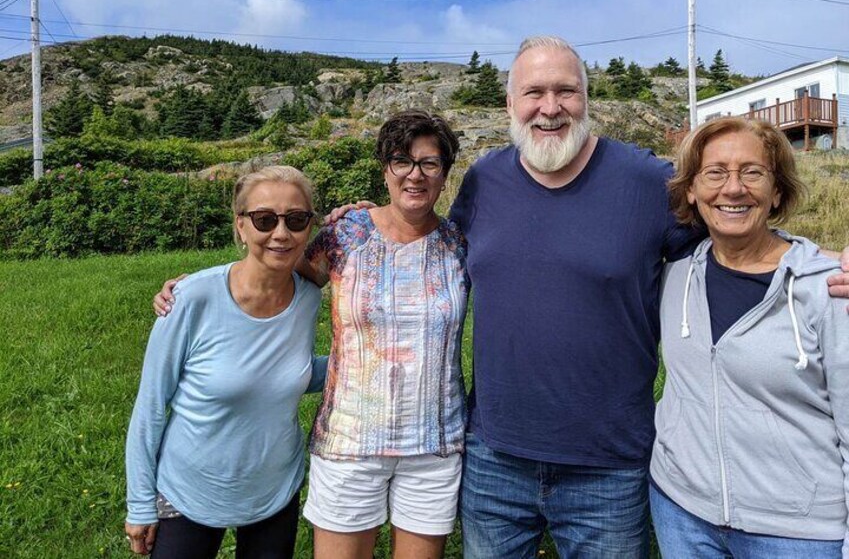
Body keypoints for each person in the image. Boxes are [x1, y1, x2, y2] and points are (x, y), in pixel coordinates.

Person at [448, 36, 849, 558]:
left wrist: (827, 260)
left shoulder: (646, 182)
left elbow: (737, 229)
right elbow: (431, 252)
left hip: (610, 466)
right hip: (494, 458)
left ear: (587, 99)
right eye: (534, 92)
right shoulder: (482, 180)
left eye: (566, 91)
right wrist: (358, 227)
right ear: (510, 104)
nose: (550, 107)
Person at [154, 110, 468, 559]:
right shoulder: (344, 233)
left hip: (434, 445)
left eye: (429, 163)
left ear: (443, 174)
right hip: (349, 444)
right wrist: (194, 290)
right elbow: (273, 272)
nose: (414, 175)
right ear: (385, 170)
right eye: (402, 161)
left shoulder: (461, 243)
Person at [650, 117, 849, 557]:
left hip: (798, 533)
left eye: (752, 172)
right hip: (681, 513)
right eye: (715, 173)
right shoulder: (672, 279)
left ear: (777, 190)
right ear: (691, 190)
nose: (733, 189)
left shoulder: (829, 289)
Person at [126, 166, 325, 558]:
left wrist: (368, 361)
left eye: (296, 220)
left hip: (274, 490)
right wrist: (139, 503)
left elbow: (289, 371)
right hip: (189, 491)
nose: (281, 233)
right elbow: (149, 406)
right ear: (241, 226)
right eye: (265, 219)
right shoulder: (191, 298)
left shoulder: (308, 297)